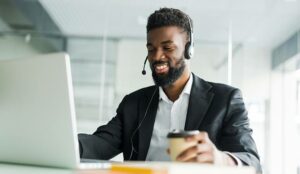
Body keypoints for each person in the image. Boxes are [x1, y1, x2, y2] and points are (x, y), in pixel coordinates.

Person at [78, 7, 262, 173]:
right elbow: (99, 144)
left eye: (168, 47)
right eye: (151, 49)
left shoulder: (226, 100)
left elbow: (252, 162)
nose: (157, 56)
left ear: (188, 50)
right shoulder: (133, 104)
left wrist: (221, 159)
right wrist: (61, 143)